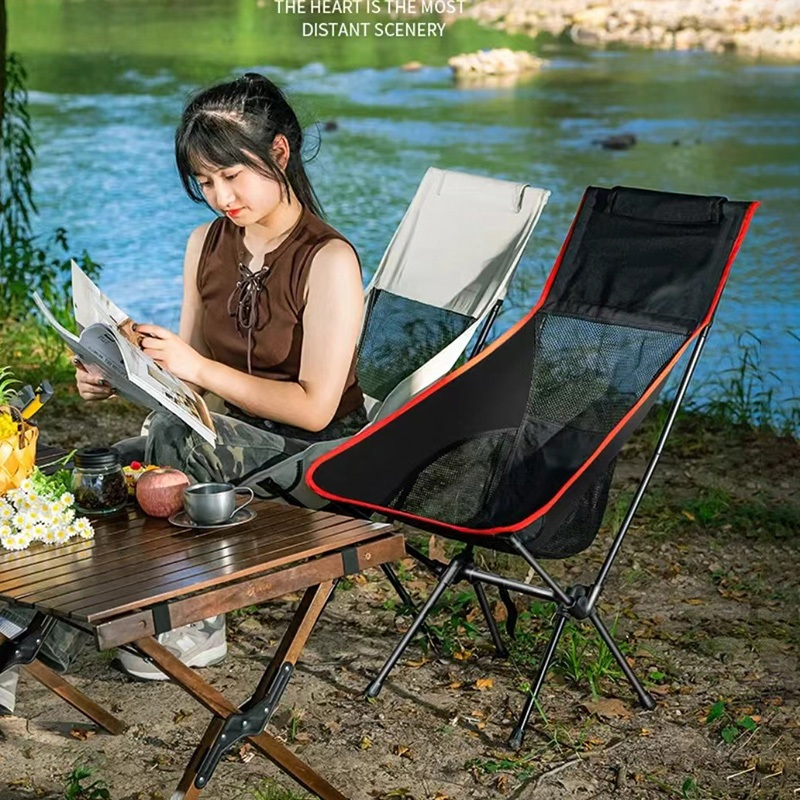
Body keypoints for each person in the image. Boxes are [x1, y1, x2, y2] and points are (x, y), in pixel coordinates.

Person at [0, 73, 366, 708]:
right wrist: (119, 374)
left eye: (232, 175)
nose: (219, 195)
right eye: (204, 181)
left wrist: (197, 369)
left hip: (317, 454)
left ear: (279, 153)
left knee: (168, 440)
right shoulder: (206, 244)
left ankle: (190, 616)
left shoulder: (329, 259)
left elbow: (316, 406)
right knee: (100, 467)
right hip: (222, 440)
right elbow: (185, 383)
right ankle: (21, 631)